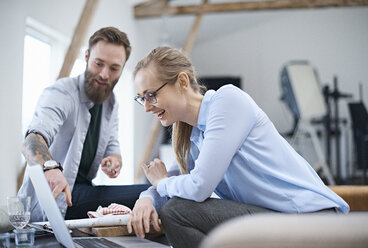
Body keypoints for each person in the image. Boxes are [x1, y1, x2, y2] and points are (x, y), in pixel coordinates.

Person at [127, 46, 350, 248]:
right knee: (171, 211)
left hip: (309, 219)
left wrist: (161, 183)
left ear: (183, 82)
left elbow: (198, 186)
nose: (147, 107)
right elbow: (174, 179)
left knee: (176, 212)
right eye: (141, 99)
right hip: (275, 218)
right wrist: (146, 198)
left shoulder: (227, 101)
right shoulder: (191, 135)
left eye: (151, 95)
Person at [18, 27, 149, 222]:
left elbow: (112, 145)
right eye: (99, 64)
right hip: (56, 201)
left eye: (114, 68)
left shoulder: (110, 102)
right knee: (151, 192)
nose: (104, 74)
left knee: (151, 197)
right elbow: (31, 141)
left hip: (84, 191)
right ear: (87, 56)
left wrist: (114, 159)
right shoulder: (60, 93)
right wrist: (50, 168)